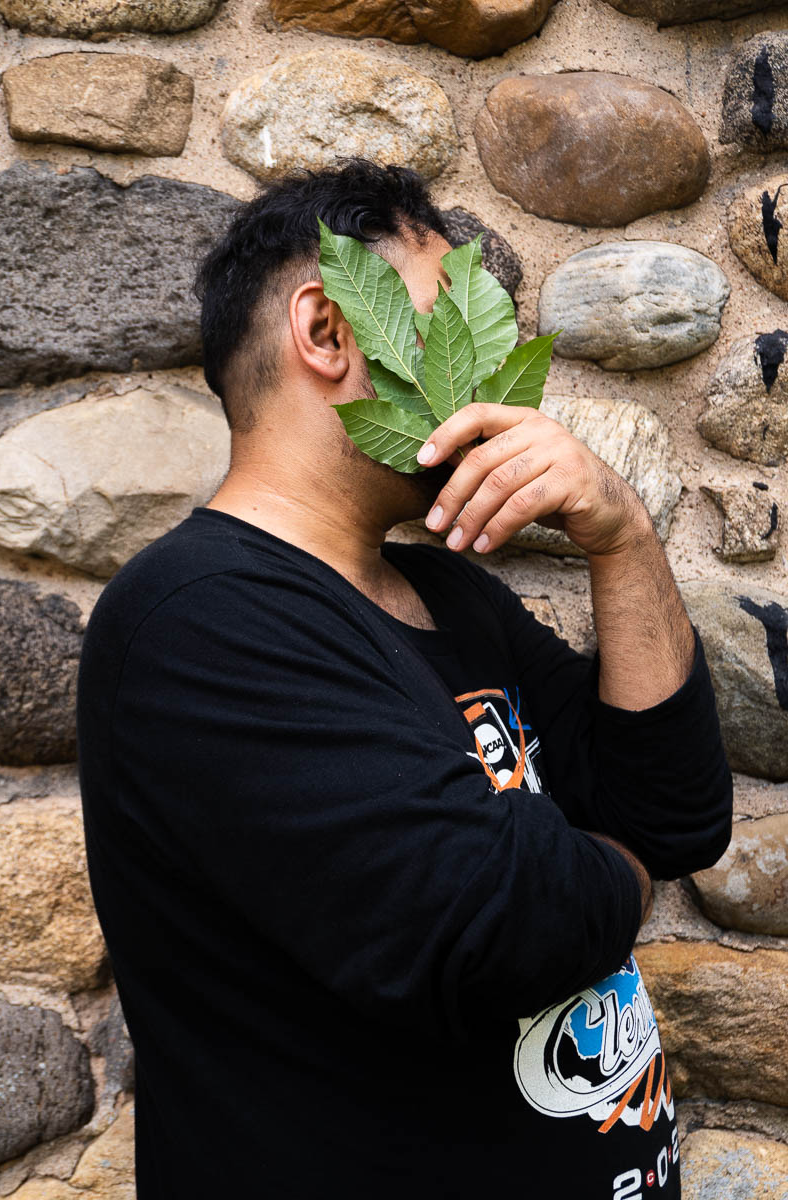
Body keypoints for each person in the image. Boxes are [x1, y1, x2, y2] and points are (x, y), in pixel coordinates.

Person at [76, 159, 732, 1200]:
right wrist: (614, 865)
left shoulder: (446, 592)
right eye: (452, 326)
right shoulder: (196, 620)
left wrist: (621, 536)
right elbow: (501, 931)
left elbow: (678, 814)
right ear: (329, 330)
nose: (492, 366)